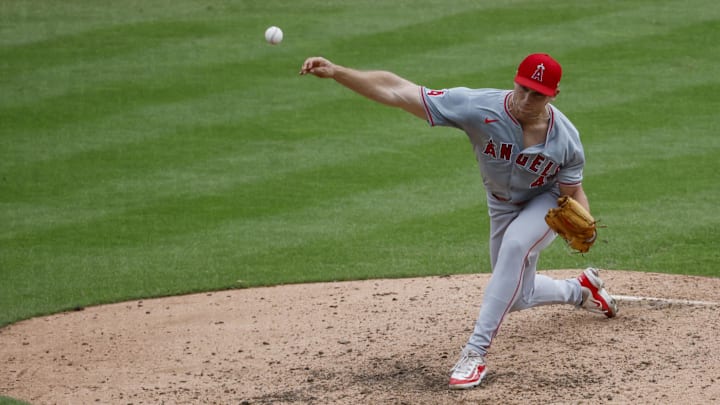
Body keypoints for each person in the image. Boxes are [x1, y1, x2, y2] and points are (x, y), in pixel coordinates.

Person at [299, 53, 618, 389]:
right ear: (515, 79)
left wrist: (587, 223)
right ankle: (580, 289)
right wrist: (338, 72)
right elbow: (399, 91)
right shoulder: (477, 106)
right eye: (523, 88)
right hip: (501, 206)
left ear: (553, 94)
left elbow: (572, 191)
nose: (526, 99)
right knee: (516, 294)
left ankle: (474, 353)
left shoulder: (565, 138)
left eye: (537, 93)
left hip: (545, 203)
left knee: (515, 247)